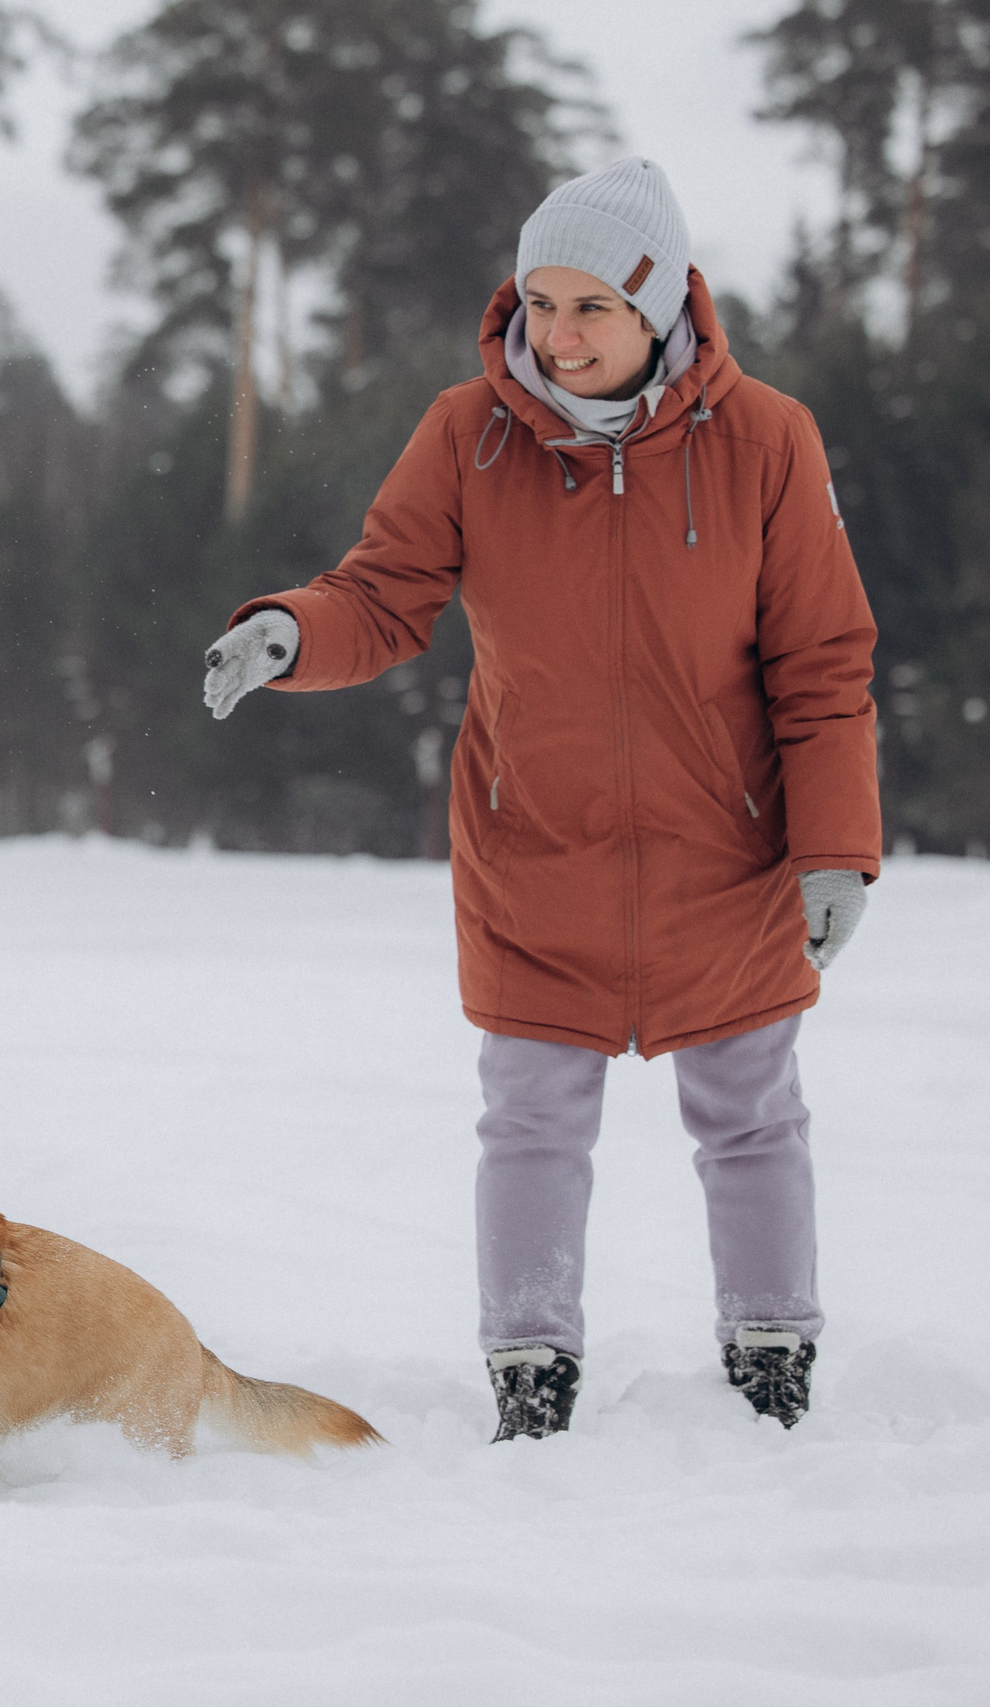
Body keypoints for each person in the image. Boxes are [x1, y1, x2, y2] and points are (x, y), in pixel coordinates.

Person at [201, 158, 879, 1442]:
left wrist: (835, 847)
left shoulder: (767, 442)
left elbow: (821, 664)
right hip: (533, 850)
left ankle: (772, 1357)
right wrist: (290, 633)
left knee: (748, 1113)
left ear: (661, 307)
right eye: (537, 304)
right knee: (529, 1118)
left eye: (588, 310)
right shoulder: (471, 432)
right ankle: (529, 1373)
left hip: (725, 855)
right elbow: (385, 589)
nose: (553, 338)